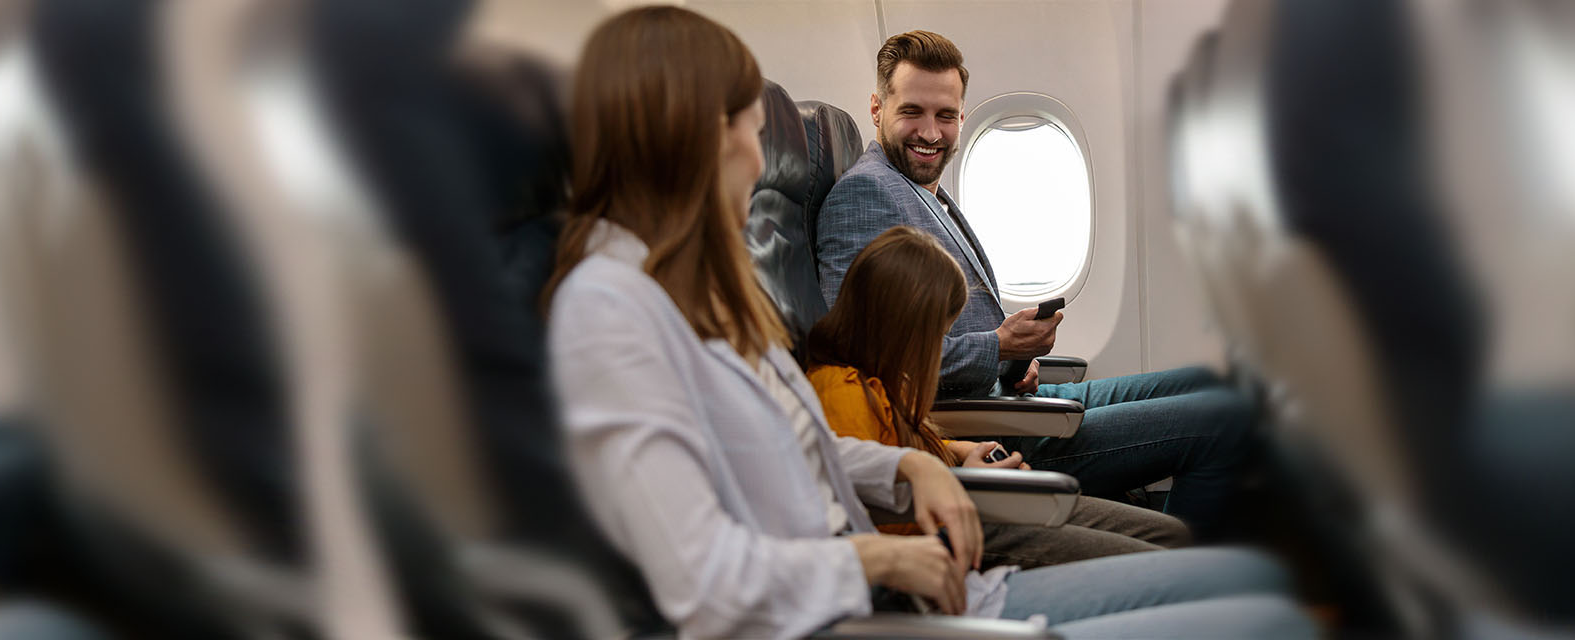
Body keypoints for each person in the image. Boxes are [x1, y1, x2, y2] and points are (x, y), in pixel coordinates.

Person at [545, 7, 1313, 639]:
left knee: (1247, 572)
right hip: (867, 608)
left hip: (898, 567)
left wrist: (910, 465)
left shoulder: (693, 290)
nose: (760, 158)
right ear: (691, 138)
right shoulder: (609, 314)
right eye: (749, 129)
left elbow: (792, 446)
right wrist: (877, 561)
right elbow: (704, 584)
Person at [815, 29, 1258, 533]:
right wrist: (998, 348)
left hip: (1007, 395)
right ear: (877, 108)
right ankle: (1188, 571)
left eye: (945, 115)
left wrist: (1014, 360)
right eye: (911, 111)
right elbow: (869, 357)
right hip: (983, 426)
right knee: (1224, 420)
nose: (931, 133)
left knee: (1212, 383)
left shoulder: (923, 192)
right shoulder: (865, 196)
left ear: (962, 117)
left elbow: (945, 326)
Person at [805, 225, 1191, 569]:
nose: (937, 350)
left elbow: (900, 448)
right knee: (1159, 560)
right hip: (954, 534)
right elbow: (876, 509)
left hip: (973, 498)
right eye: (935, 336)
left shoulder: (889, 375)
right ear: (901, 329)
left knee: (1174, 536)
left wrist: (960, 453)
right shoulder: (841, 394)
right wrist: (974, 487)